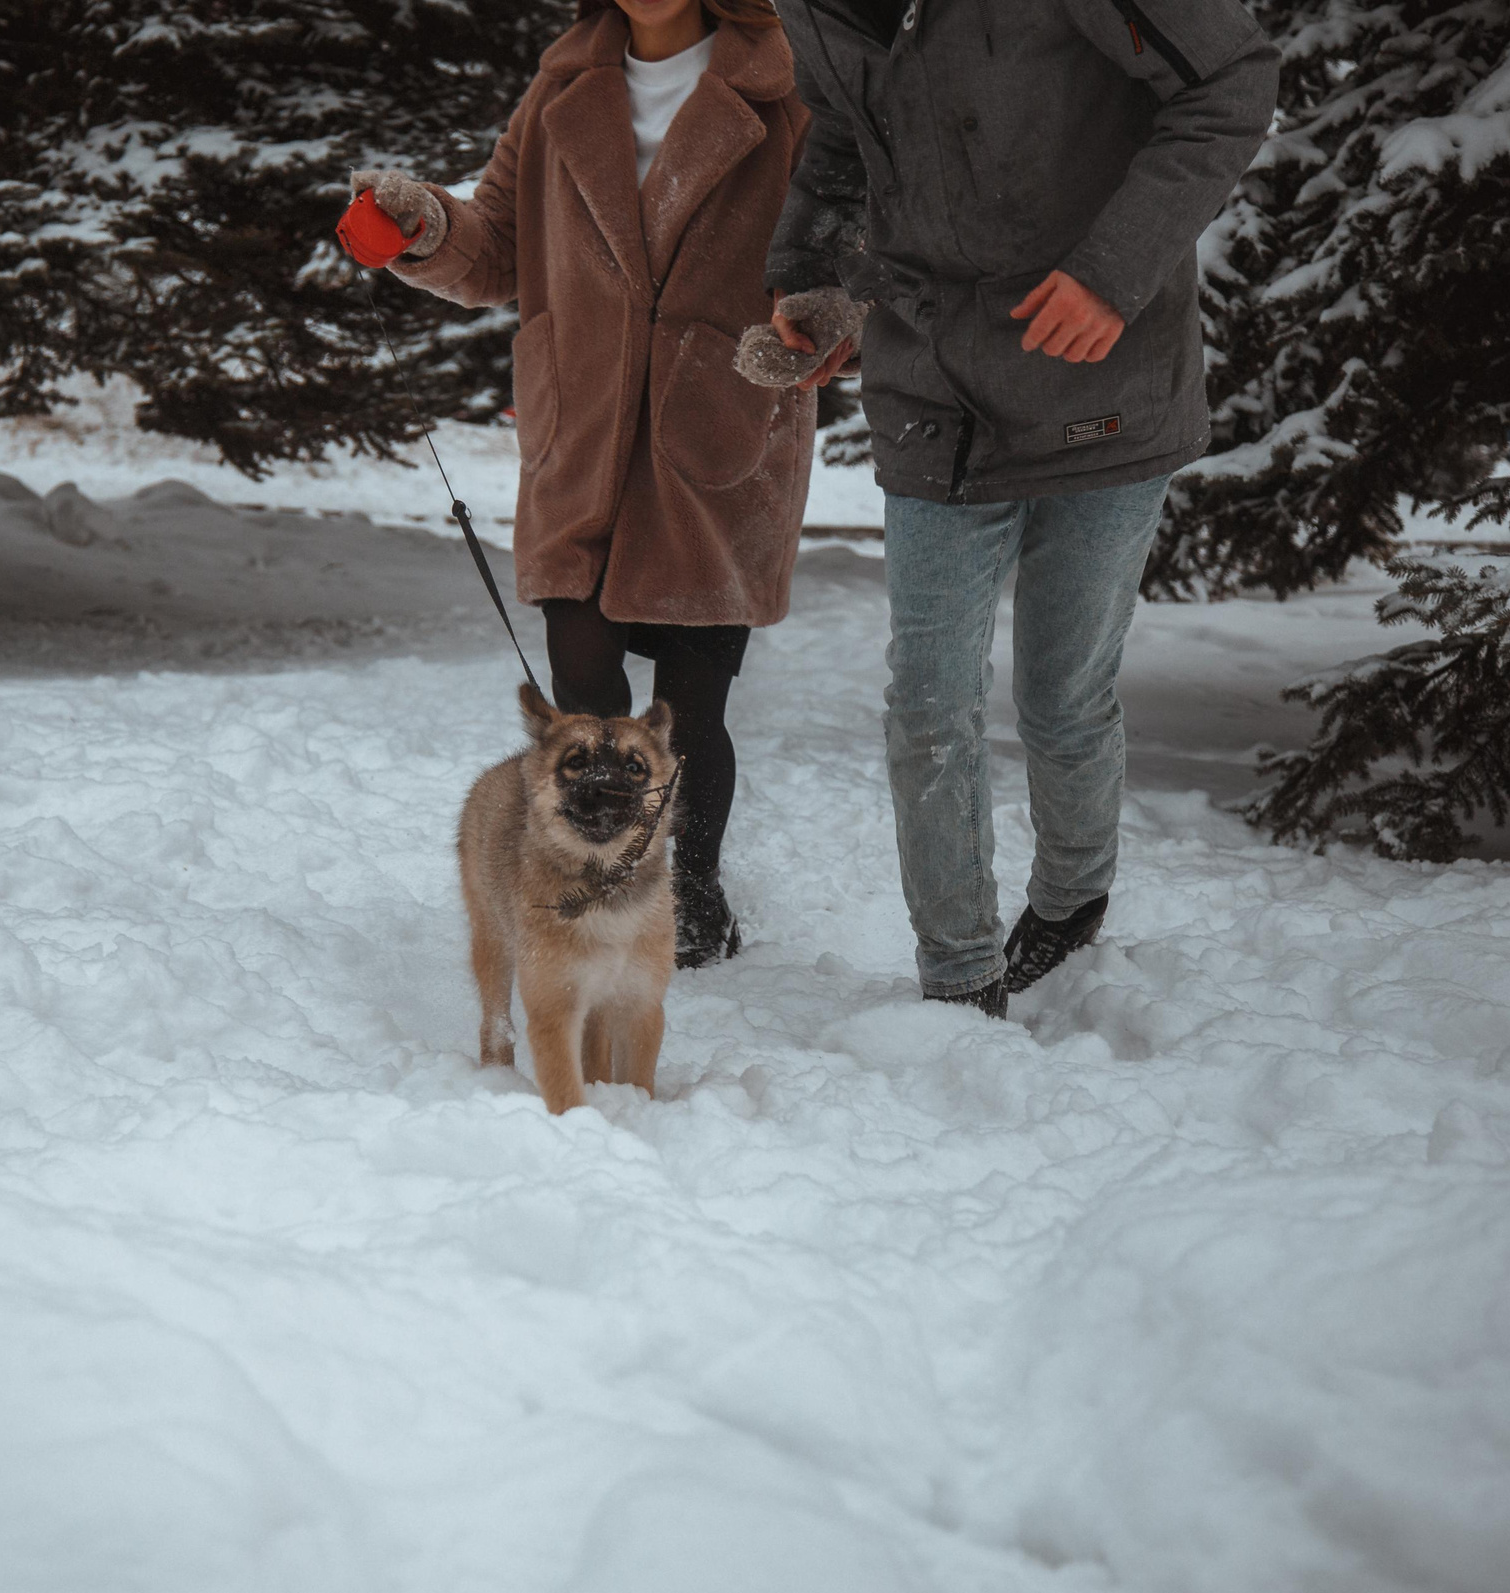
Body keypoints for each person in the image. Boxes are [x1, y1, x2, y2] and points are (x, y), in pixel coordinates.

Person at [761, 0, 1279, 1015]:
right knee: (928, 704)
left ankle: (1071, 908)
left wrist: (1110, 274)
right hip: (929, 381)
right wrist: (809, 276)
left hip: (1102, 380)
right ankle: (958, 980)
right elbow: (842, 129)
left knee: (1062, 695)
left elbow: (1230, 81)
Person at [352, 0, 814, 968]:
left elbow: (837, 256)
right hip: (583, 442)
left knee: (688, 715)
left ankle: (691, 895)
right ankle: (603, 888)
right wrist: (426, 226)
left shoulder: (783, 89)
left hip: (715, 444)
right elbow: (492, 250)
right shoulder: (563, 85)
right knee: (585, 693)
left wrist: (816, 325)